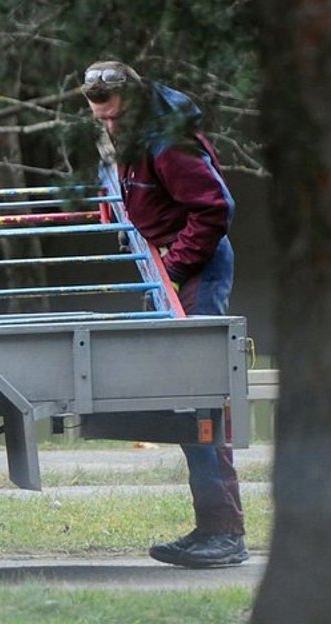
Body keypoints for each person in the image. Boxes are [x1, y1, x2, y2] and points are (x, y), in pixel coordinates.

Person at [81, 59, 247, 568]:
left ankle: (224, 533)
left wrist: (175, 267)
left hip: (197, 269)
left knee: (200, 402)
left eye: (114, 116)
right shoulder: (129, 138)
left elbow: (216, 208)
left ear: (132, 99)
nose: (109, 126)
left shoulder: (166, 142)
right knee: (183, 402)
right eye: (100, 119)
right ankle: (212, 528)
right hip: (168, 267)